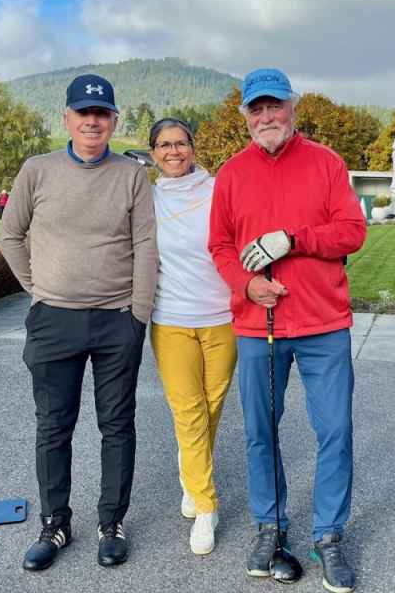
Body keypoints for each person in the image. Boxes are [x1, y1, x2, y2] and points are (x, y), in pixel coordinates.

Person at [208, 68, 367, 592]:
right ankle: (270, 525)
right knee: (261, 430)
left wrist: (293, 239)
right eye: (256, 109)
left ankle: (329, 534)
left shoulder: (326, 162)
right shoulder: (232, 174)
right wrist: (247, 285)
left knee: (335, 430)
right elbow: (220, 246)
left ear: (292, 108)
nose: (266, 117)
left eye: (274, 106)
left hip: (323, 323)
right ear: (246, 117)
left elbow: (352, 232)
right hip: (259, 325)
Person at [0, 74, 158, 572]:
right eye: (84, 113)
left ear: (114, 120)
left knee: (117, 425)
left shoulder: (131, 175)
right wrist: (40, 289)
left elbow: (145, 244)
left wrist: (138, 313)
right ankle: (55, 524)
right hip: (53, 320)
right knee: (53, 426)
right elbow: (9, 235)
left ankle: (112, 522)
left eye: (102, 113)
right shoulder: (37, 170)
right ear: (66, 118)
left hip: (117, 320)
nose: (93, 121)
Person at [147, 118, 236, 555]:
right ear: (153, 154)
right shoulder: (147, 198)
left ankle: (191, 468)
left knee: (211, 408)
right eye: (164, 145)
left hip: (222, 317)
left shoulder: (220, 190)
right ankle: (205, 505)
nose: (174, 152)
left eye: (181, 143)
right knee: (188, 411)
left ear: (193, 148)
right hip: (171, 319)